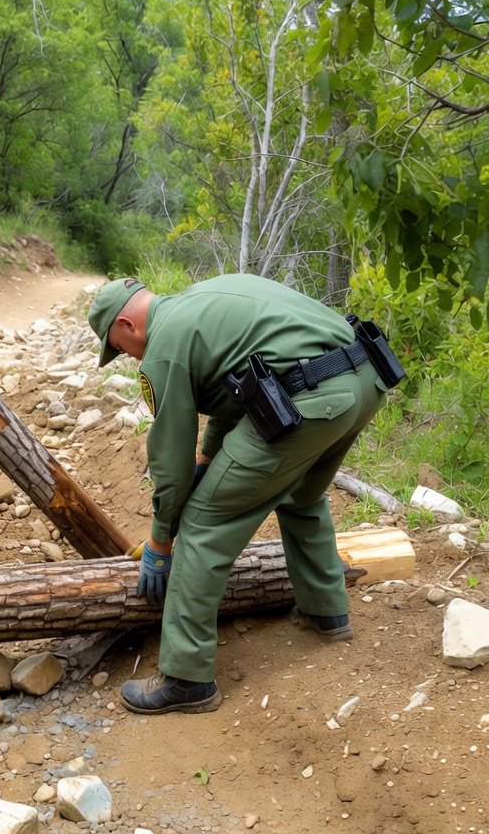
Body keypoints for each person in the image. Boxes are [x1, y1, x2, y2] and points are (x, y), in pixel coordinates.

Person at [88, 274, 392, 714]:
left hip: (313, 398)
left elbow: (170, 460)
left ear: (126, 325)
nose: (124, 356)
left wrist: (161, 537)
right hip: (365, 381)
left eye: (117, 347)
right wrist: (210, 460)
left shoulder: (164, 348)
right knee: (301, 494)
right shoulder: (204, 299)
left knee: (204, 523)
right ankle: (327, 611)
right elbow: (242, 387)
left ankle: (186, 678)